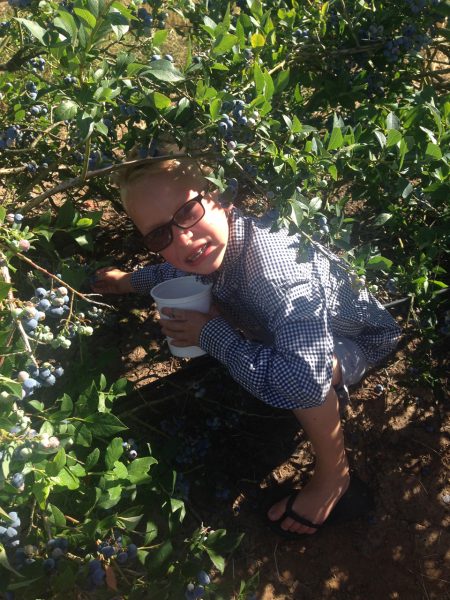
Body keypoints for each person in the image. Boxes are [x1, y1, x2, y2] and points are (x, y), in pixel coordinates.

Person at [92, 148, 401, 539]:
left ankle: (334, 479)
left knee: (306, 377)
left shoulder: (277, 276)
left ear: (221, 195)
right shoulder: (213, 243)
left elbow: (303, 381)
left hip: (355, 340)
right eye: (159, 234)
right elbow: (172, 266)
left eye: (188, 212)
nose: (183, 239)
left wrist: (212, 335)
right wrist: (127, 282)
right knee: (257, 329)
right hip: (281, 325)